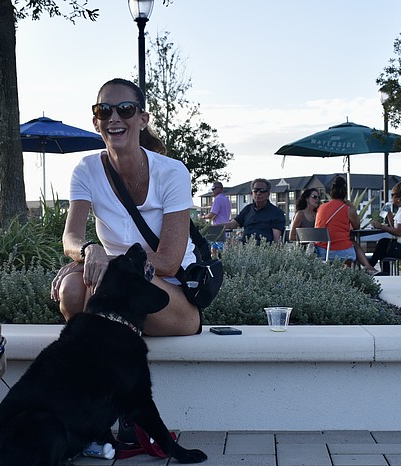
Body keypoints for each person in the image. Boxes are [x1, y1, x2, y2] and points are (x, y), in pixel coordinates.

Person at [50, 77, 201, 337]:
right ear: (96, 121)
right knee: (71, 289)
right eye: (104, 110)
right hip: (115, 283)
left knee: (106, 283)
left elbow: (167, 262)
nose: (114, 118)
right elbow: (71, 238)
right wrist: (89, 251)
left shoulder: (172, 173)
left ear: (143, 119)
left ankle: (90, 365)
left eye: (126, 109)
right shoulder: (86, 170)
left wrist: (103, 261)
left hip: (170, 295)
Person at [314, 176, 375, 271]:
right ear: (345, 193)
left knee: (346, 243)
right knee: (353, 243)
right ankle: (368, 268)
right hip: (341, 252)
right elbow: (356, 227)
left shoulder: (321, 208)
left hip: (321, 251)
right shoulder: (348, 209)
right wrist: (352, 207)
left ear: (331, 192)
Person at [221, 178, 286, 243]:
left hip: (265, 250)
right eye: (255, 190)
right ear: (252, 193)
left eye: (262, 190)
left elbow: (277, 241)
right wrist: (213, 227)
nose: (258, 193)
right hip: (245, 249)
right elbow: (232, 224)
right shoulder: (247, 209)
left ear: (268, 194)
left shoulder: (276, 213)